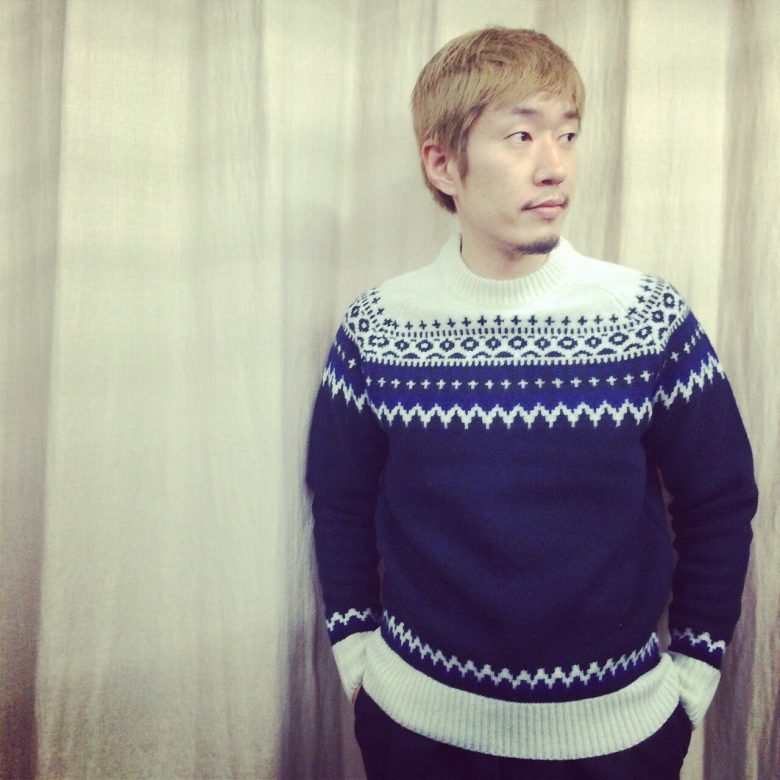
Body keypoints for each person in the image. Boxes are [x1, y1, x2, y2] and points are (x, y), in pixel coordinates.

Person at [305, 27, 758, 780]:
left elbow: (720, 500)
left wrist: (690, 683)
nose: (555, 166)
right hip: (418, 734)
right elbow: (341, 502)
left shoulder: (646, 319)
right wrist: (357, 661)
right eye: (520, 136)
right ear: (443, 164)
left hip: (618, 744)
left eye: (567, 135)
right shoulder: (379, 328)